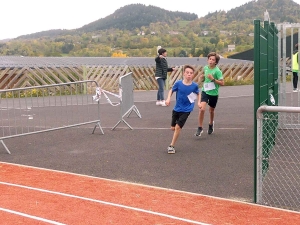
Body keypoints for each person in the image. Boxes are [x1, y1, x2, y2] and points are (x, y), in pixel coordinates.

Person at [165, 65, 200, 154]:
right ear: (184, 73)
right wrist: (168, 98)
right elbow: (171, 90)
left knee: (178, 127)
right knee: (173, 127)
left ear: (193, 75)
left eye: (191, 73)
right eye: (187, 72)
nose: (189, 74)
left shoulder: (194, 86)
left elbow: (198, 93)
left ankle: (171, 146)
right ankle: (174, 128)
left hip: (187, 109)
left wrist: (199, 103)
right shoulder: (178, 83)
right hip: (177, 108)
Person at [195, 52, 224, 136]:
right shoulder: (205, 68)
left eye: (213, 60)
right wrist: (202, 78)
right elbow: (205, 78)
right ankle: (200, 127)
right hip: (205, 91)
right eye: (210, 59)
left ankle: (211, 124)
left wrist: (213, 79)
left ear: (216, 62)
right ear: (208, 60)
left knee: (211, 110)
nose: (211, 61)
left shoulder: (217, 71)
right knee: (202, 109)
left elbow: (222, 83)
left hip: (213, 93)